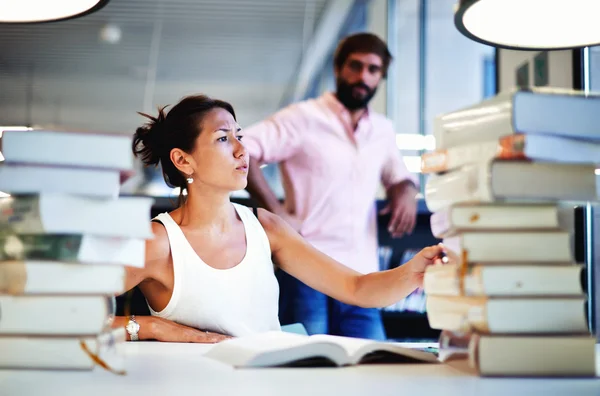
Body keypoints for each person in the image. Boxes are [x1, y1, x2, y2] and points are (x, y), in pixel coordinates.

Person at [111, 94, 446, 343]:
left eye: (240, 136)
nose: (242, 150)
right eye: (223, 138)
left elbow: (354, 287)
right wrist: (154, 327)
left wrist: (412, 271)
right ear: (183, 161)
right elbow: (66, 317)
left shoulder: (265, 228)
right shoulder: (158, 243)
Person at [243, 33, 418, 340]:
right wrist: (276, 211)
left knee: (371, 369)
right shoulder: (303, 117)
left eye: (373, 70)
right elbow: (242, 149)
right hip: (306, 268)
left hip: (364, 274)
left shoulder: (382, 130)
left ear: (381, 77)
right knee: (308, 372)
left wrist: (405, 191)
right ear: (338, 69)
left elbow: (398, 176)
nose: (363, 76)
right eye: (356, 66)